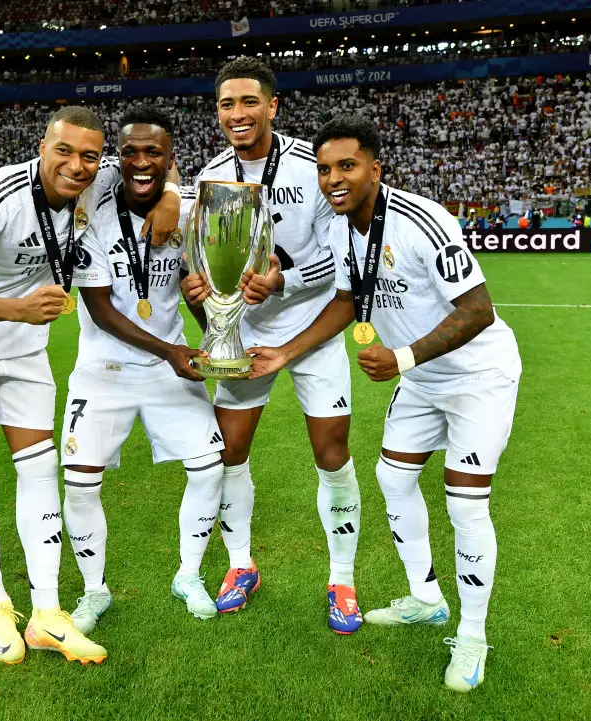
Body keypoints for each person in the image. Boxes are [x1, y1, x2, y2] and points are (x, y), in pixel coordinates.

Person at [245, 116, 521, 692]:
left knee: (466, 506)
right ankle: (426, 598)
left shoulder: (423, 220)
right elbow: (347, 301)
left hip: (476, 378)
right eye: (324, 169)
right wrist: (285, 353)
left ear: (375, 167)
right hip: (421, 381)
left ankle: (472, 635)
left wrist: (402, 360)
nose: (332, 179)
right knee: (392, 480)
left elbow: (477, 311)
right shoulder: (345, 230)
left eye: (347, 166)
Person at [0, 104, 183, 668]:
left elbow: (156, 169)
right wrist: (17, 309)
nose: (77, 166)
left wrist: (170, 198)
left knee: (38, 469)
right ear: (43, 147)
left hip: (23, 342)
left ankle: (47, 614)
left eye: (90, 156)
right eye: (64, 151)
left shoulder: (100, 177)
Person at [181, 57, 363, 634]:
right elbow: (201, 259)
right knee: (229, 451)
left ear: (273, 106)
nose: (238, 114)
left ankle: (342, 578)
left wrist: (283, 278)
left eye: (249, 102)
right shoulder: (209, 178)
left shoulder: (314, 169)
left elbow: (344, 258)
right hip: (243, 333)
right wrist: (200, 288)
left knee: (331, 453)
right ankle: (240, 566)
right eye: (227, 104)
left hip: (310, 331)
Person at [59, 105, 226, 635]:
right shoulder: (94, 206)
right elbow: (101, 310)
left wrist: (212, 324)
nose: (140, 161)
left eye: (153, 152)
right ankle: (94, 591)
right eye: (129, 150)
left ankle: (188, 575)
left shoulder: (195, 210)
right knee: (80, 485)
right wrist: (173, 353)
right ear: (118, 155)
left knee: (209, 467)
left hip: (168, 367)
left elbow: (201, 291)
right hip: (104, 368)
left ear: (171, 159)